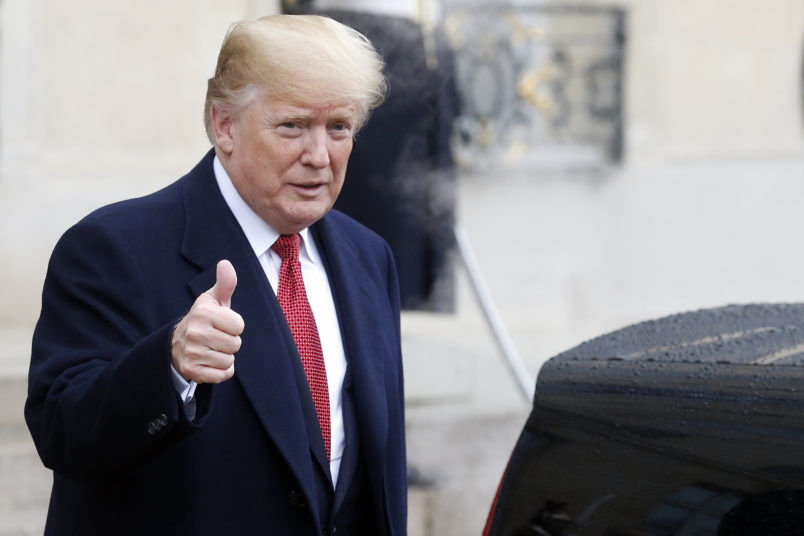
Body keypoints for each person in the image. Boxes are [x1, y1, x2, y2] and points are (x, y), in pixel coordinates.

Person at [24, 14, 406, 536]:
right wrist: (170, 367)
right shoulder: (114, 247)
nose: (319, 156)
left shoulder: (369, 255)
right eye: (292, 125)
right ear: (224, 125)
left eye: (338, 127)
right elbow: (63, 435)